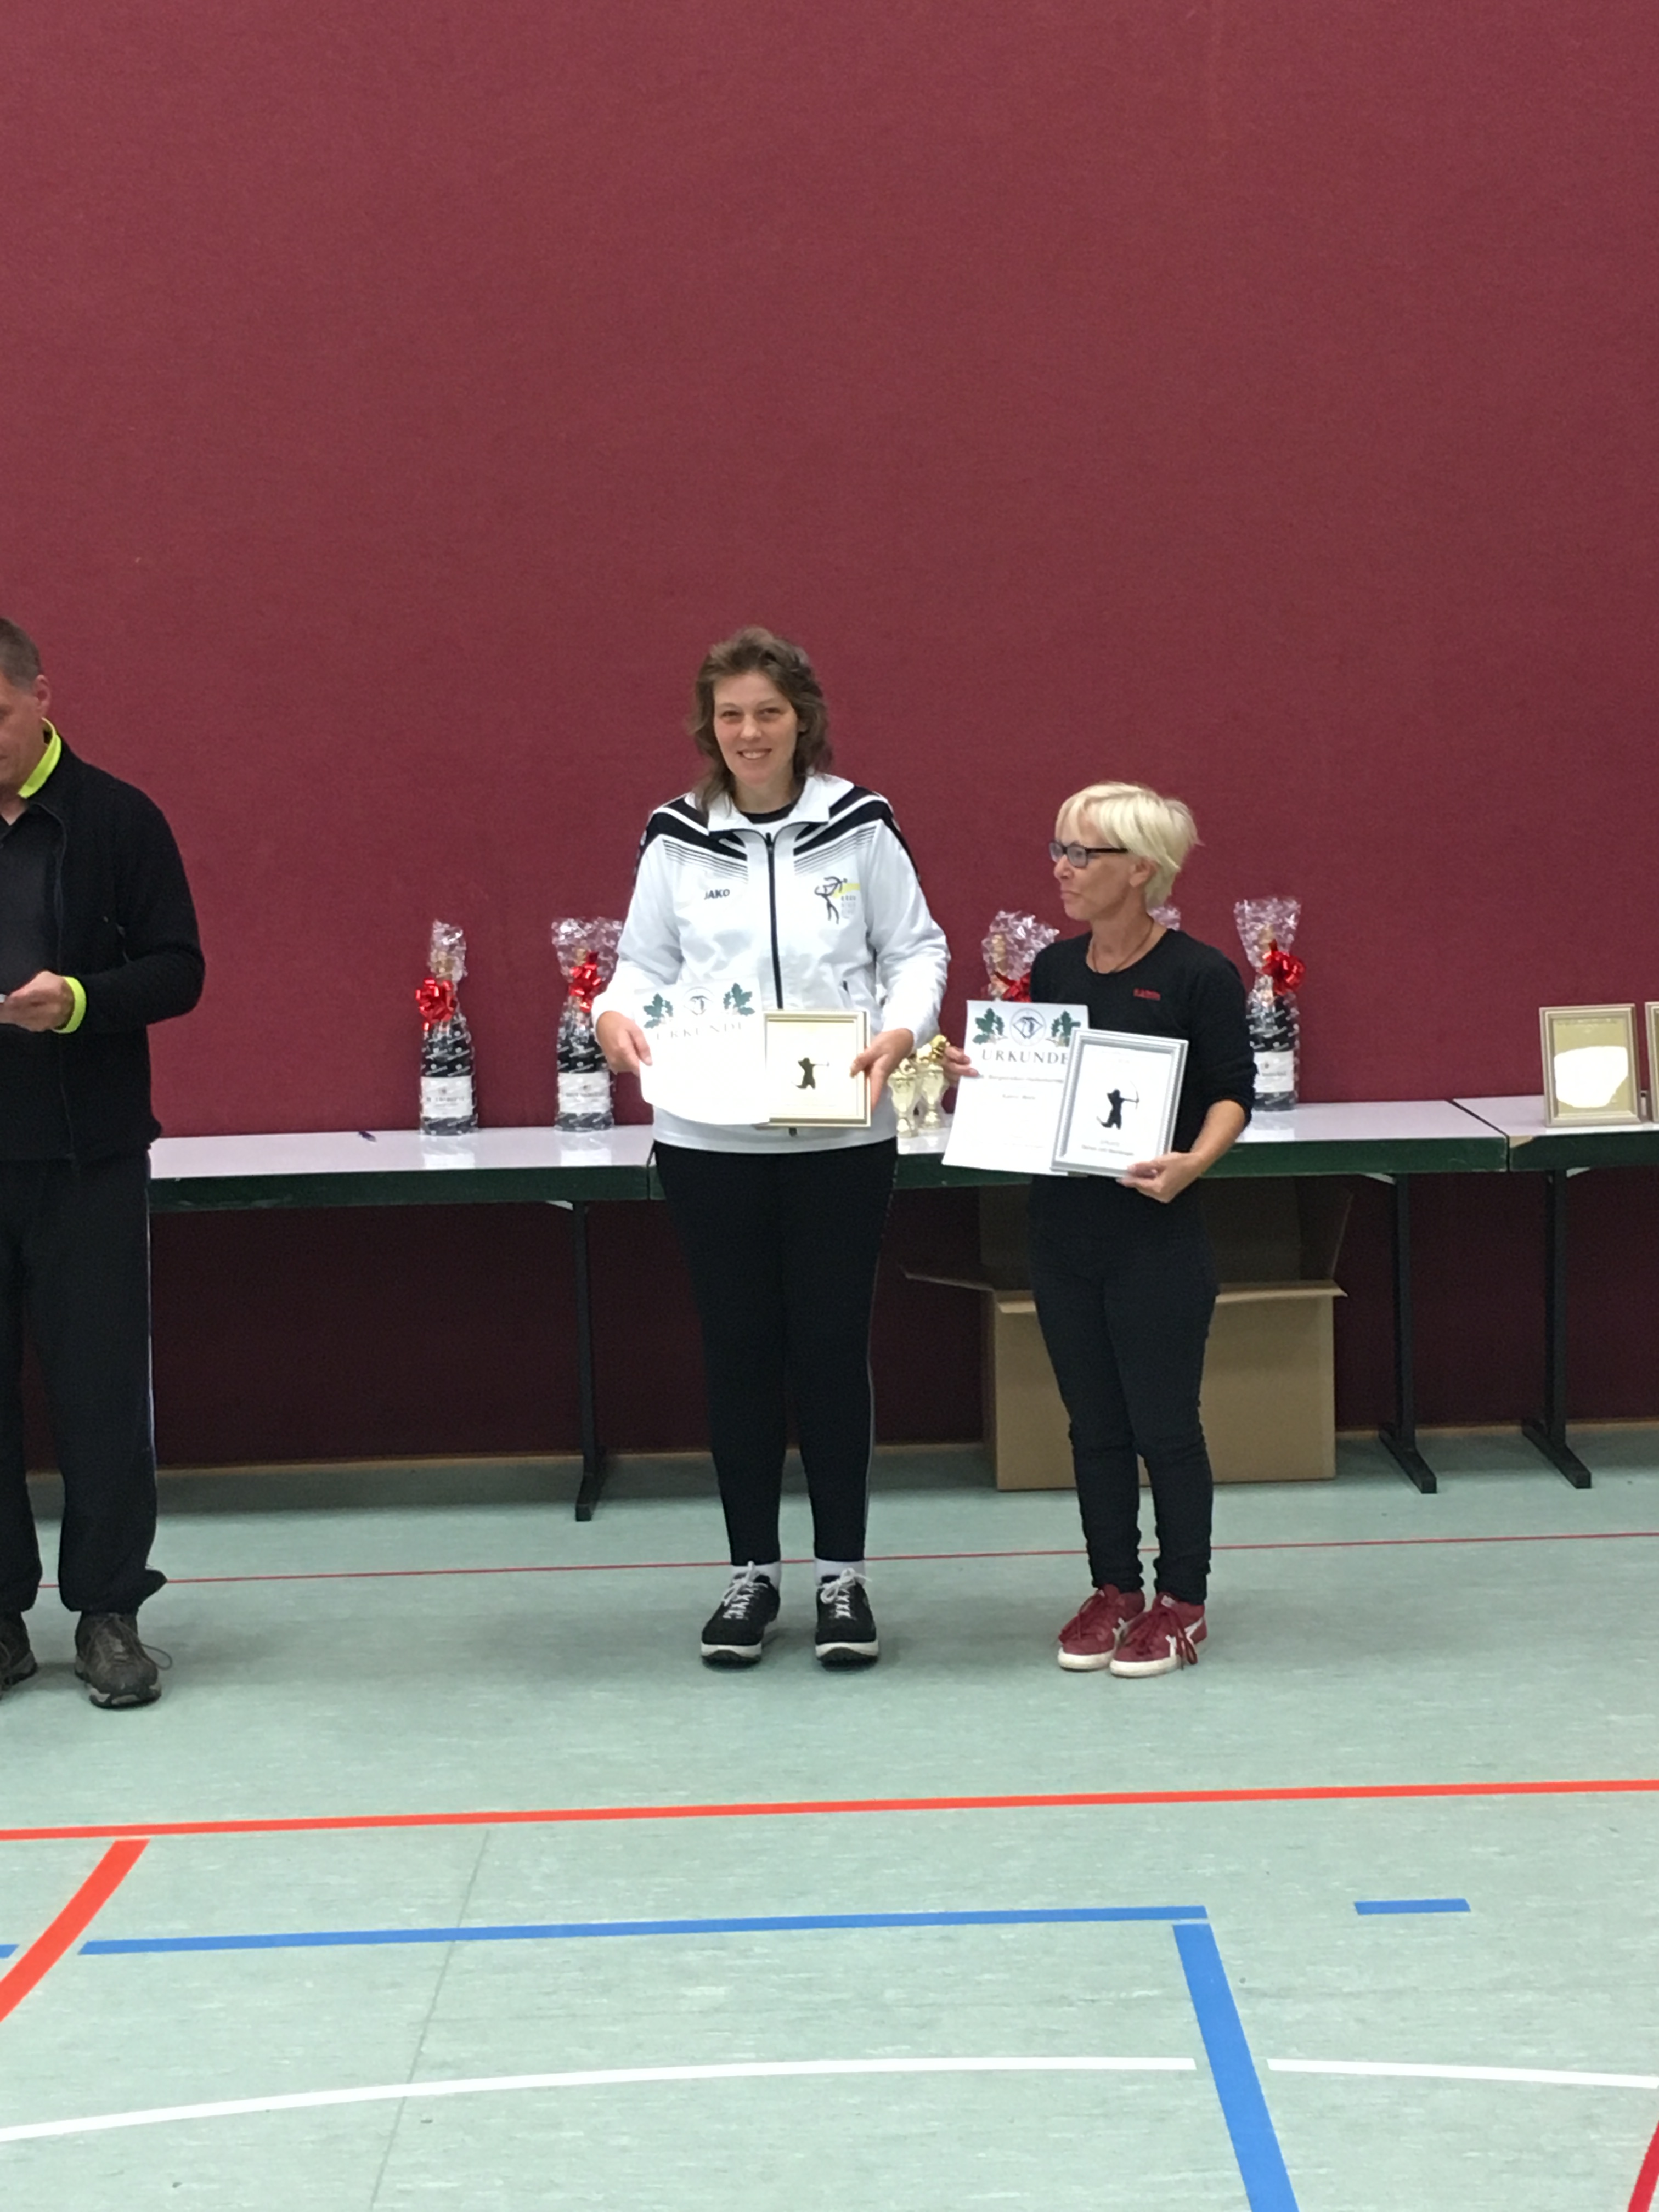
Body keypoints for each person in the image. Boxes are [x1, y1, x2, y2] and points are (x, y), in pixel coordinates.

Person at [595, 627, 947, 1669]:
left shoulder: (859, 825)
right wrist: (613, 1014)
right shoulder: (676, 837)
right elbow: (640, 965)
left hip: (842, 1134)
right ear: (709, 728)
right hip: (710, 1141)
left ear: (804, 721)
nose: (749, 733)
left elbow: (916, 949)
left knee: (832, 1351)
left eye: (769, 713)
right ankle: (751, 1572)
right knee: (739, 1353)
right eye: (731, 716)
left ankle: (842, 1576)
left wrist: (902, 1029)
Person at [945, 782, 1252, 1677]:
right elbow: (1047, 1088)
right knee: (1094, 1427)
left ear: (1142, 869)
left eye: (1083, 854)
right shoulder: (1053, 969)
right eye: (1059, 850)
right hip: (1063, 1235)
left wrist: (1193, 1161)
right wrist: (988, 1077)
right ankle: (1114, 1588)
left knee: (1166, 1427)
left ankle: (1182, 1601)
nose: (1062, 869)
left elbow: (1233, 1091)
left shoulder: (1199, 974)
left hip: (1156, 1239)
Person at [0, 619, 204, 1709]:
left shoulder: (119, 818)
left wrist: (78, 1001)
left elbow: (179, 969)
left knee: (100, 1394)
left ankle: (109, 1613)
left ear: (40, 696)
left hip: (87, 1157)